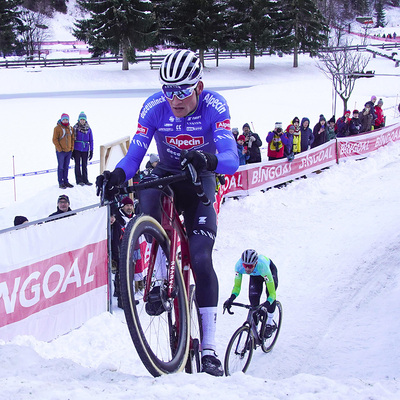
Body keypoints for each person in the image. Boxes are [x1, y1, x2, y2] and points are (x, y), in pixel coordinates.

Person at [96, 49, 239, 376]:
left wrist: (210, 160)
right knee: (146, 190)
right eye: (168, 90)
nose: (174, 98)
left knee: (201, 258)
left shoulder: (214, 105)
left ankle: (210, 348)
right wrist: (117, 175)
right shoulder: (154, 107)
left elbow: (231, 154)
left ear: (198, 87)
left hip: (199, 177)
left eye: (182, 92)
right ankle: (160, 279)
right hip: (167, 174)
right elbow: (134, 155)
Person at [223, 249, 278, 338]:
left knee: (269, 294)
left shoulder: (263, 267)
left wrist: (265, 305)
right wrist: (231, 299)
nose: (247, 269)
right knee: (254, 304)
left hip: (269, 271)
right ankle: (253, 335)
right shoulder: (239, 267)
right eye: (245, 265)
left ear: (255, 263)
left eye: (250, 266)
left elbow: (272, 294)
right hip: (255, 276)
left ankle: (269, 323)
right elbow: (237, 287)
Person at [53, 113, 75, 189]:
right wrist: (59, 148)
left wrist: (72, 148)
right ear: (61, 120)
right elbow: (54, 139)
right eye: (64, 119)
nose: (65, 121)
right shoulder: (57, 128)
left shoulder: (70, 128)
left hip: (68, 151)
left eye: (66, 119)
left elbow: (72, 139)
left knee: (66, 167)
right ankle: (61, 182)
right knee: (61, 167)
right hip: (61, 152)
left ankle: (66, 181)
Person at [72, 111, 94, 186]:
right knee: (77, 164)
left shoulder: (88, 129)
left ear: (85, 120)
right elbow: (72, 139)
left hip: (85, 149)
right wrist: (72, 150)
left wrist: (91, 150)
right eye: (81, 119)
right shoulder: (75, 128)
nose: (82, 121)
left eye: (83, 119)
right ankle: (79, 180)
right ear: (78, 120)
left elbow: (91, 140)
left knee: (84, 165)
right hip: (77, 149)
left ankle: (85, 179)